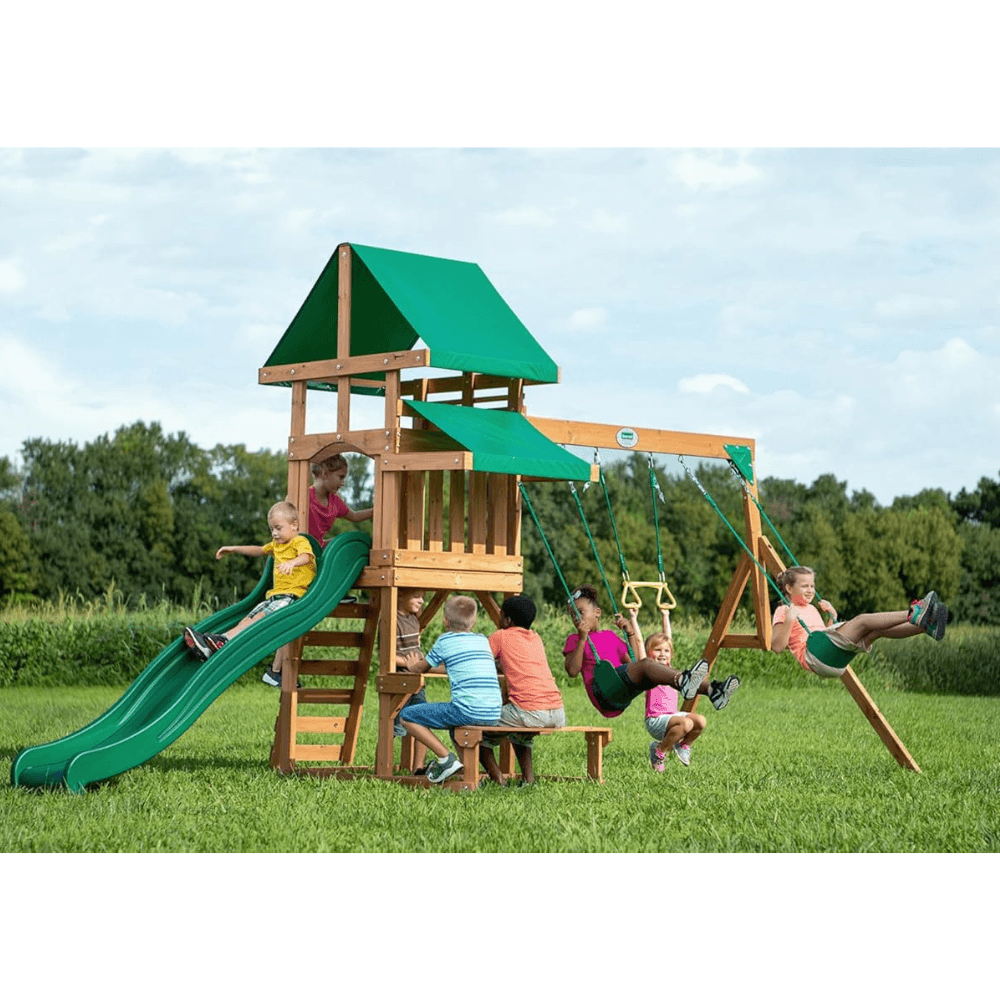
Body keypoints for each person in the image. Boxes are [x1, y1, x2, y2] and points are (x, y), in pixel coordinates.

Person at [262, 455, 373, 687]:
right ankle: (275, 670)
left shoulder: (334, 502)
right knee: (293, 617)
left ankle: (336, 592)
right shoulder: (304, 496)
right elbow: (285, 513)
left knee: (345, 547)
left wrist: (378, 509)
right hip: (299, 560)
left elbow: (354, 516)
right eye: (340, 476)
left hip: (316, 553)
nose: (343, 482)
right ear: (324, 473)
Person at [563, 585, 740, 720]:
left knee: (655, 673)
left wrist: (630, 632)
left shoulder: (609, 636)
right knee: (648, 664)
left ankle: (713, 690)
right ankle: (686, 681)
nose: (576, 618)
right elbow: (572, 671)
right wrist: (582, 639)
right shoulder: (574, 639)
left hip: (622, 691)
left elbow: (632, 661)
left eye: (580, 612)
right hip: (603, 691)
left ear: (597, 612)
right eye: (572, 615)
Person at [183, 501, 316, 663]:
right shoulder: (276, 545)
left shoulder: (299, 541)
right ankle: (218, 643)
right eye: (271, 529)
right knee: (246, 620)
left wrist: (292, 563)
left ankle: (222, 641)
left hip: (291, 598)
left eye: (278, 528)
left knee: (259, 617)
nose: (274, 533)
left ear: (294, 525)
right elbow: (259, 550)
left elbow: (306, 556)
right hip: (274, 597)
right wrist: (233, 549)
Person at [770, 566, 949, 677]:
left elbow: (823, 637)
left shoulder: (811, 608)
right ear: (789, 588)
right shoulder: (783, 610)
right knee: (862, 620)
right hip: (815, 658)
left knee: (877, 631)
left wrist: (832, 616)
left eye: (812, 586)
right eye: (805, 586)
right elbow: (777, 647)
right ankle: (914, 612)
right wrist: (789, 619)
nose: (810, 590)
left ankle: (926, 626)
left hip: (832, 658)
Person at [398, 595, 502, 784]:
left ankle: (445, 759)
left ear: (445, 621)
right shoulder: (482, 640)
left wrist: (412, 665)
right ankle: (470, 776)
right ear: (474, 621)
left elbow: (420, 668)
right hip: (493, 712)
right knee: (456, 730)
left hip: (467, 711)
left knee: (407, 716)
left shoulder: (445, 641)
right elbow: (454, 666)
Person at [480, 594, 566, 786]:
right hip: (557, 712)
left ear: (507, 619)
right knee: (519, 733)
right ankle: (528, 779)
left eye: (501, 616)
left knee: (474, 731)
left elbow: (478, 660)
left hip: (528, 712)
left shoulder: (500, 636)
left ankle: (498, 780)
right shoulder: (535, 638)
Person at [627, 606, 706, 771]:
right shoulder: (648, 671)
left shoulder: (669, 670)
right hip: (655, 720)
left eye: (666, 651)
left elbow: (668, 637)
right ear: (649, 653)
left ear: (671, 654)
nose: (662, 653)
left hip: (672, 717)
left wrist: (665, 615)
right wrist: (633, 619)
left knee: (700, 721)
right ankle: (659, 750)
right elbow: (639, 642)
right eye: (657, 650)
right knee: (686, 723)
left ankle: (683, 745)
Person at [394, 588, 431, 774]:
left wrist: (419, 665)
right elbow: (387, 655)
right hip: (398, 680)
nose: (421, 601)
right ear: (400, 595)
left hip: (417, 680)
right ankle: (383, 767)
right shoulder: (392, 620)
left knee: (422, 722)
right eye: (416, 596)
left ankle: (418, 768)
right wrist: (409, 664)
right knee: (393, 727)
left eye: (423, 597)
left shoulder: (414, 619)